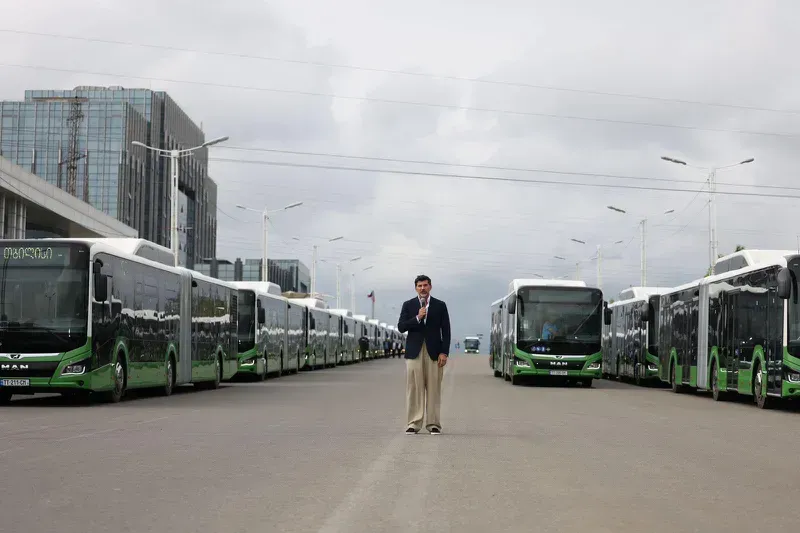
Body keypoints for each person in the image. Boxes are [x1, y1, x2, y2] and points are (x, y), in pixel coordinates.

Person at [397, 274, 451, 435]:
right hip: (414, 352)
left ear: (430, 287)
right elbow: (401, 327)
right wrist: (417, 317)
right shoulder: (408, 305)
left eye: (425, 285)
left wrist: (444, 352)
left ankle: (433, 423)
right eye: (420, 286)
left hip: (434, 352)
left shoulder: (440, 305)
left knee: (434, 388)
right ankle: (413, 423)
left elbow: (446, 331)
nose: (423, 288)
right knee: (414, 388)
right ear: (415, 288)